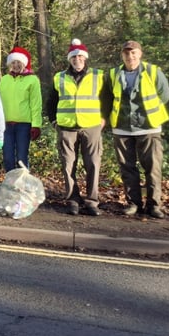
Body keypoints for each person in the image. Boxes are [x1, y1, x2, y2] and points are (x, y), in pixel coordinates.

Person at [104, 40, 169, 218]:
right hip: (122, 128)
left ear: (140, 54)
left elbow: (164, 95)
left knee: (153, 167)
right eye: (126, 53)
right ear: (122, 55)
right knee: (127, 168)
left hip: (149, 127)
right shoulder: (112, 74)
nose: (130, 56)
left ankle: (154, 205)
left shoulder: (153, 71)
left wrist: (146, 113)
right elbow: (107, 99)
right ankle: (134, 203)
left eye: (133, 53)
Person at [45, 39, 109, 216]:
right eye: (74, 57)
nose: (77, 59)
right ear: (69, 59)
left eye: (80, 56)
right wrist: (54, 121)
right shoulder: (60, 77)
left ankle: (92, 201)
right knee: (68, 165)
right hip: (66, 127)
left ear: (85, 58)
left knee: (93, 164)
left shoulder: (98, 75)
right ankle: (73, 199)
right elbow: (51, 102)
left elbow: (107, 99)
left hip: (92, 126)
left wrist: (105, 118)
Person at [0, 46, 42, 171]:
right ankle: (10, 185)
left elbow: (36, 103)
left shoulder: (32, 80)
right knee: (7, 158)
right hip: (6, 125)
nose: (16, 65)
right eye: (13, 62)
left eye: (18, 62)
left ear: (24, 63)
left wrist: (36, 125)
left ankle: (23, 184)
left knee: (21, 158)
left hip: (24, 125)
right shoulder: (4, 80)